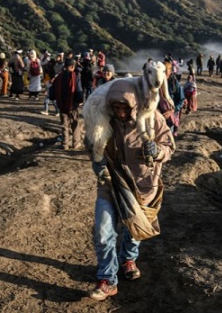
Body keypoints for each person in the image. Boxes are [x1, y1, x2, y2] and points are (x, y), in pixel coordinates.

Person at [88, 79, 175, 301]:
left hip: (143, 185)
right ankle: (107, 279)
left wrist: (157, 152)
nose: (121, 112)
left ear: (135, 105)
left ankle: (128, 259)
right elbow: (94, 148)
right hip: (111, 183)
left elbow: (169, 146)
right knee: (103, 231)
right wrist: (99, 167)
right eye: (116, 108)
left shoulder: (152, 119)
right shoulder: (103, 121)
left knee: (134, 228)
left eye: (125, 108)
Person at [53, 58, 84, 150]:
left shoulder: (59, 77)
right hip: (73, 105)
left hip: (61, 105)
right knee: (75, 124)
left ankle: (65, 144)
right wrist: (80, 100)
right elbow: (78, 90)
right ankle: (76, 143)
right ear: (72, 66)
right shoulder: (76, 77)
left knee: (64, 125)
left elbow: (52, 91)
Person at [162, 60, 184, 136]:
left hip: (170, 115)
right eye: (161, 71)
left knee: (168, 136)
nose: (163, 73)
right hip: (158, 116)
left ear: (170, 71)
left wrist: (172, 111)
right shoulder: (156, 84)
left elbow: (181, 100)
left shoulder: (175, 84)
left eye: (165, 70)